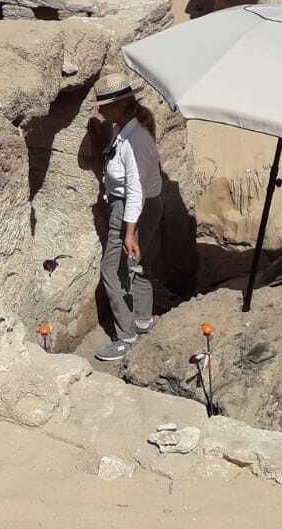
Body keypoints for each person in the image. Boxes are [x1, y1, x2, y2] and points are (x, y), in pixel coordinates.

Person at [90, 71, 163, 361]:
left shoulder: (135, 140)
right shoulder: (128, 131)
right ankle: (144, 320)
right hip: (142, 206)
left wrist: (129, 232)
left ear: (119, 105)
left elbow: (135, 191)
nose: (100, 111)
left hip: (133, 209)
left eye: (104, 106)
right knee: (138, 264)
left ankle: (125, 335)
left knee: (111, 270)